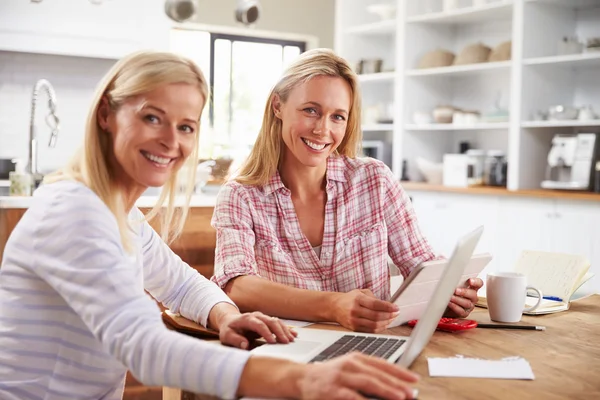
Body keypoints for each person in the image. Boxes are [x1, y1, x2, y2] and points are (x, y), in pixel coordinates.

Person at [0, 51, 419, 400]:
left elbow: (182, 286)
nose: (171, 141)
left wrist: (224, 317)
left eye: (186, 127)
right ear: (107, 114)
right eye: (152, 118)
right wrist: (302, 379)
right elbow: (144, 347)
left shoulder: (116, 213)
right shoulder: (74, 212)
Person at [211, 48, 483, 333]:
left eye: (338, 116)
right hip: (289, 352)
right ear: (278, 106)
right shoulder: (240, 195)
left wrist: (448, 292)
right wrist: (333, 305)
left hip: (374, 347)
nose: (322, 129)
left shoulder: (374, 180)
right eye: (310, 110)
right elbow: (236, 285)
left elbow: (420, 265)